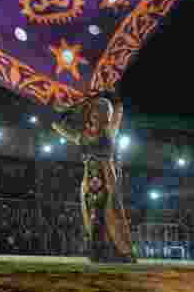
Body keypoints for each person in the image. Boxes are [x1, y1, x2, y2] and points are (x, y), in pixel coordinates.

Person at [51, 91, 137, 263]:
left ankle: (123, 252)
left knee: (110, 211)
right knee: (91, 213)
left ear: (106, 116)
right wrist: (59, 120)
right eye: (93, 114)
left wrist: (114, 95)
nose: (94, 118)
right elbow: (65, 130)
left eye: (99, 114)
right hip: (89, 176)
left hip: (105, 175)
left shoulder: (109, 131)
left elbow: (118, 110)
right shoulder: (85, 135)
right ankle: (98, 250)